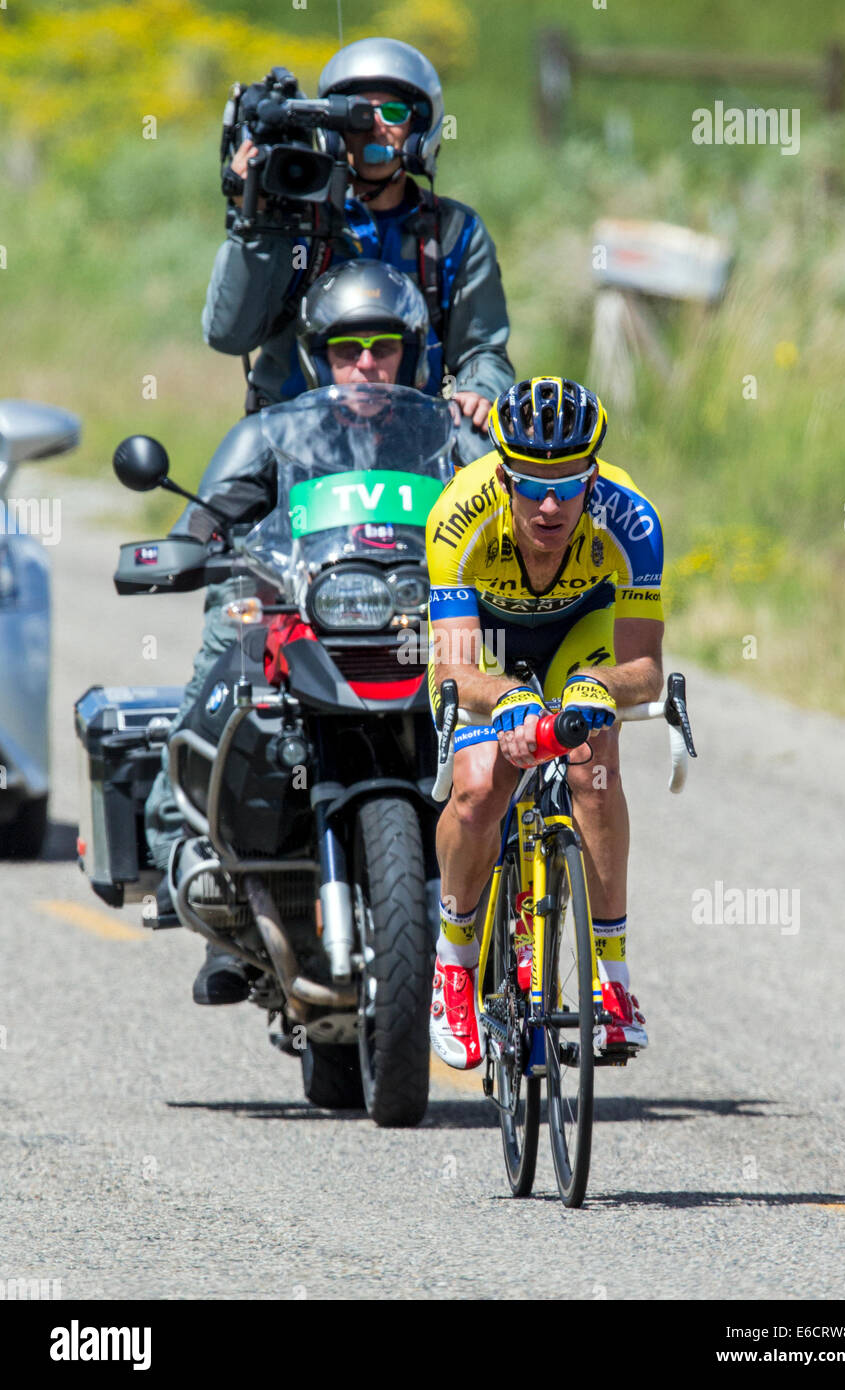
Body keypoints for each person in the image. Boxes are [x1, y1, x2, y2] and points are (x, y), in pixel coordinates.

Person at [145, 260, 438, 1003]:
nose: (366, 365)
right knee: (224, 652)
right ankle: (184, 851)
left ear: (410, 350)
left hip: (410, 625)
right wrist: (195, 554)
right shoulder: (270, 433)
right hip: (299, 618)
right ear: (317, 355)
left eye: (382, 347)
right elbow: (201, 524)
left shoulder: (448, 438)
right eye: (347, 350)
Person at [425, 376, 665, 1069]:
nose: (552, 504)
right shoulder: (457, 516)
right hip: (488, 645)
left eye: (569, 481)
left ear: (593, 473)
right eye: (532, 484)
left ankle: (612, 983)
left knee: (592, 765)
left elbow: (644, 667)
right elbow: (452, 671)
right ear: (503, 475)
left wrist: (596, 686)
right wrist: (503, 698)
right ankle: (453, 967)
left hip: (577, 632)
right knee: (477, 785)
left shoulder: (632, 520)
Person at [204, 37, 513, 463]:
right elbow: (229, 334)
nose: (374, 126)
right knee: (213, 522)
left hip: (420, 452)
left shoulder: (454, 231)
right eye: (356, 114)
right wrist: (251, 222)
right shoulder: (291, 222)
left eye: (393, 112)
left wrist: (481, 389)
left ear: (421, 126)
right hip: (293, 449)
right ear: (330, 129)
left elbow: (482, 349)